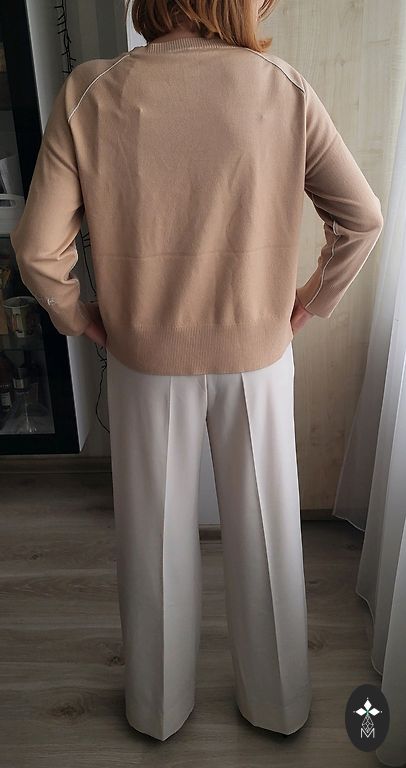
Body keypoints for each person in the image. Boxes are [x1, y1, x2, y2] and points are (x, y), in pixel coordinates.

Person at [10, 0, 384, 743]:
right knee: (268, 531)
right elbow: (362, 218)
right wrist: (309, 302)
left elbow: (35, 250)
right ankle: (279, 705)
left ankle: (156, 710)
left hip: (145, 359)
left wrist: (80, 317)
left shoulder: (92, 89)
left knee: (151, 536)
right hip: (257, 357)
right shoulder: (281, 86)